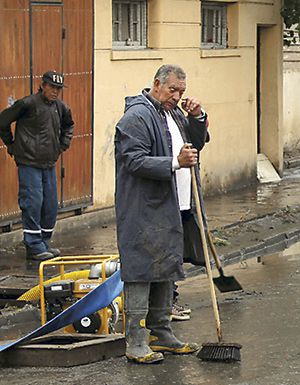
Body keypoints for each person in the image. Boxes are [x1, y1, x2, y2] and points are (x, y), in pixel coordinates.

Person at [114, 64, 207, 363]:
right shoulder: (136, 117)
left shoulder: (173, 113)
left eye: (181, 91)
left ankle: (161, 333)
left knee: (167, 267)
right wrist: (175, 163)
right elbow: (134, 160)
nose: (177, 96)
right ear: (156, 84)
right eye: (172, 90)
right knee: (142, 270)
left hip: (173, 205)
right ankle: (137, 340)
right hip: (144, 209)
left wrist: (198, 118)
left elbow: (196, 144)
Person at [0, 71, 74, 261]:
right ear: (42, 85)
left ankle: (43, 242)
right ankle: (33, 245)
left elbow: (69, 125)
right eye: (52, 87)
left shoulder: (61, 107)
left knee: (50, 205)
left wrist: (62, 145)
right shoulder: (27, 103)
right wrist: (11, 144)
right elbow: (3, 121)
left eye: (58, 88)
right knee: (32, 203)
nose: (55, 91)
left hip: (48, 163)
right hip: (29, 163)